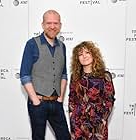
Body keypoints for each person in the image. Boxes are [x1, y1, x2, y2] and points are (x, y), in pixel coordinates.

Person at [20, 10, 71, 140]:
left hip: (56, 102)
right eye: (49, 23)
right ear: (42, 25)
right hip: (38, 103)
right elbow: (25, 75)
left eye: (56, 23)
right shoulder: (32, 44)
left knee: (65, 137)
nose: (52, 26)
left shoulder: (62, 46)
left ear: (60, 25)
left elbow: (64, 75)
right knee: (38, 138)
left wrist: (60, 98)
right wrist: (35, 100)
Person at [68, 41, 115, 140]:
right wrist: (72, 117)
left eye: (87, 52)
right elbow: (72, 98)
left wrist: (103, 119)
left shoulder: (105, 76)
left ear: (93, 54)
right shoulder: (75, 77)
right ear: (77, 59)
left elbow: (109, 100)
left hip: (98, 122)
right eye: (80, 54)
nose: (84, 56)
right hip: (78, 123)